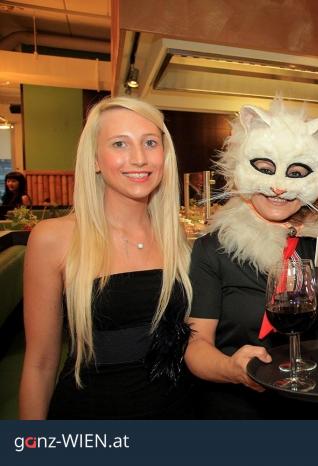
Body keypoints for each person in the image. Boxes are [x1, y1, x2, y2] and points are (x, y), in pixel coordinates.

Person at [19, 96, 193, 419]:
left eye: (150, 142)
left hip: (177, 412)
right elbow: (40, 364)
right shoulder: (53, 238)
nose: (139, 158)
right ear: (95, 159)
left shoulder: (175, 236)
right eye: (119, 144)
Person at [185, 99, 318, 419]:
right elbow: (196, 345)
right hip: (236, 411)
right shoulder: (213, 248)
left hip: (313, 407)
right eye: (264, 169)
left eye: (296, 173)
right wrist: (231, 368)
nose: (278, 187)